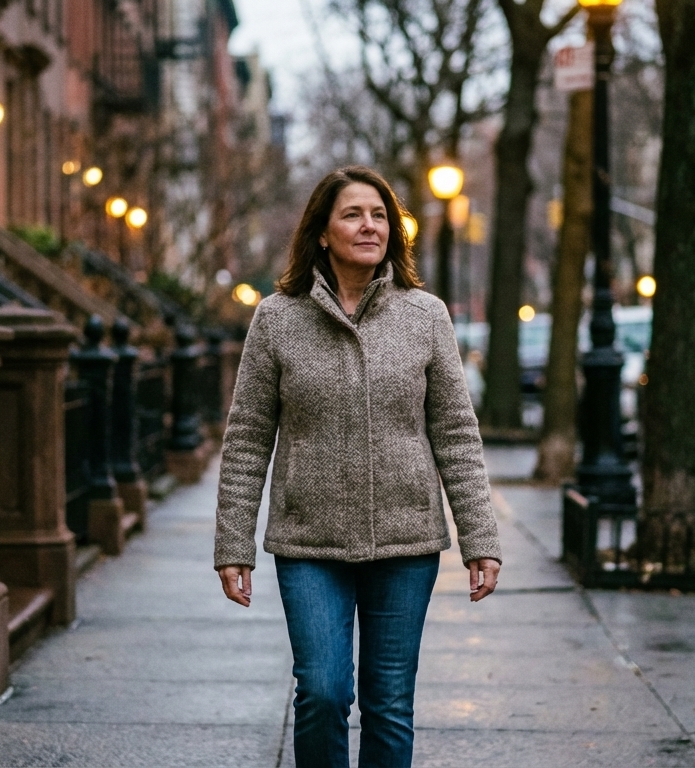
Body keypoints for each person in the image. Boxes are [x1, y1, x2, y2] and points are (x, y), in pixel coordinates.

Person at [213, 165, 502, 768]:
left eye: (379, 215)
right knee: (322, 692)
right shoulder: (277, 319)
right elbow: (246, 437)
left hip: (406, 540)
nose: (369, 225)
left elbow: (455, 433)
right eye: (352, 214)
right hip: (309, 543)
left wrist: (481, 538)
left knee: (390, 702)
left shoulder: (425, 315)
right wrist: (232, 544)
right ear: (322, 232)